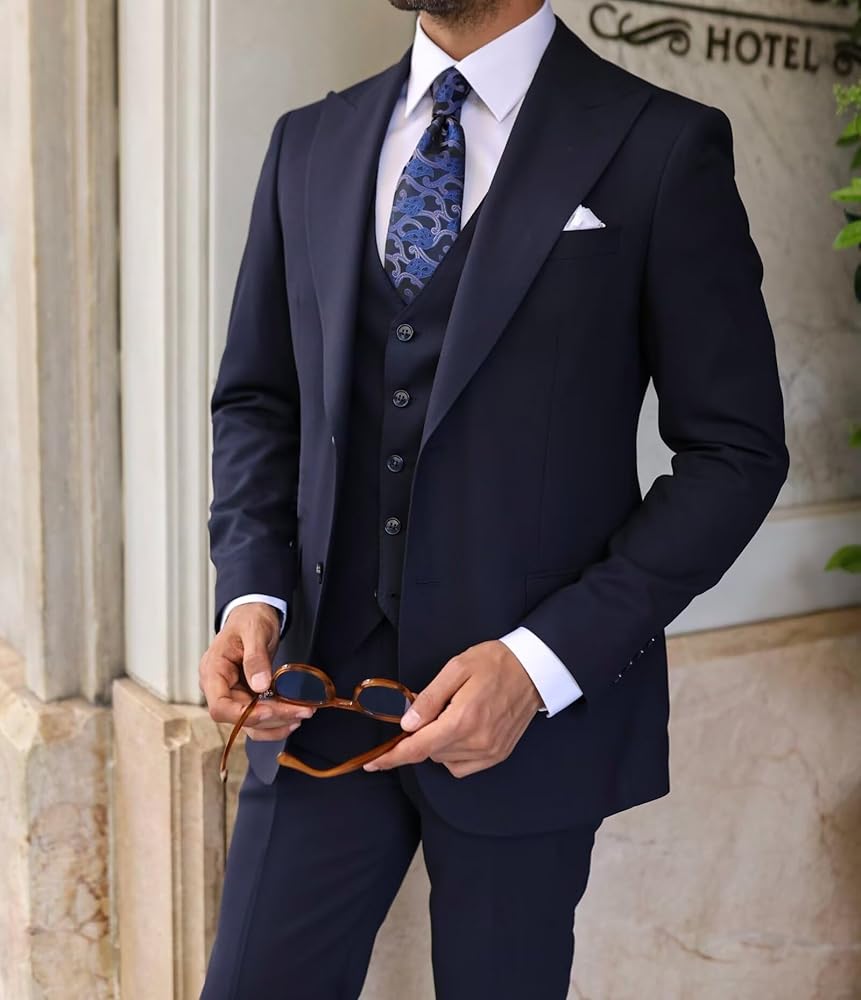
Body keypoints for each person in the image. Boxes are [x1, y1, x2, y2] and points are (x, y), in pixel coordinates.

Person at [198, 1, 789, 997]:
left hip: (525, 724)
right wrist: (252, 591)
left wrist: (540, 664)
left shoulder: (659, 144)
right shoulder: (309, 142)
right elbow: (260, 400)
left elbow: (735, 453)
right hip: (311, 698)